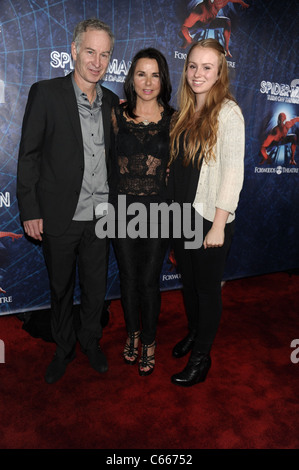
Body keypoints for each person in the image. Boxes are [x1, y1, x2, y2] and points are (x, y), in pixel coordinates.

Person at [17, 18, 119, 384]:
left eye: (104, 54)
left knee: (95, 288)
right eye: (90, 51)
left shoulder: (110, 101)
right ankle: (63, 348)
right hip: (59, 213)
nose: (97, 61)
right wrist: (30, 209)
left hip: (100, 215)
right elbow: (28, 155)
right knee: (60, 288)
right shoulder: (45, 93)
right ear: (74, 51)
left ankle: (91, 341)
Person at [168, 38, 244, 387]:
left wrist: (217, 226)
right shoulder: (185, 112)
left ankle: (202, 358)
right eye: (193, 66)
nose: (198, 74)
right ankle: (195, 333)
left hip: (208, 220)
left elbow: (232, 174)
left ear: (219, 73)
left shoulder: (228, 113)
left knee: (207, 290)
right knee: (189, 286)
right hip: (182, 216)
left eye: (207, 67)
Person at [109, 48, 173, 376]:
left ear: (163, 79)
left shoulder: (174, 118)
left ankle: (149, 340)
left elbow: (179, 171)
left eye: (155, 74)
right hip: (121, 210)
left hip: (160, 211)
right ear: (131, 78)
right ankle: (132, 333)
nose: (148, 82)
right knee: (128, 277)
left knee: (149, 280)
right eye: (141, 73)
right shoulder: (115, 115)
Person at [180, 0, 249, 55]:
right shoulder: (199, 10)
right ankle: (186, 43)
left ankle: (226, 49)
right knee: (181, 34)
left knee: (227, 21)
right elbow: (184, 26)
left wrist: (242, 2)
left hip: (210, 22)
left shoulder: (220, 2)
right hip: (198, 25)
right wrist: (189, 39)